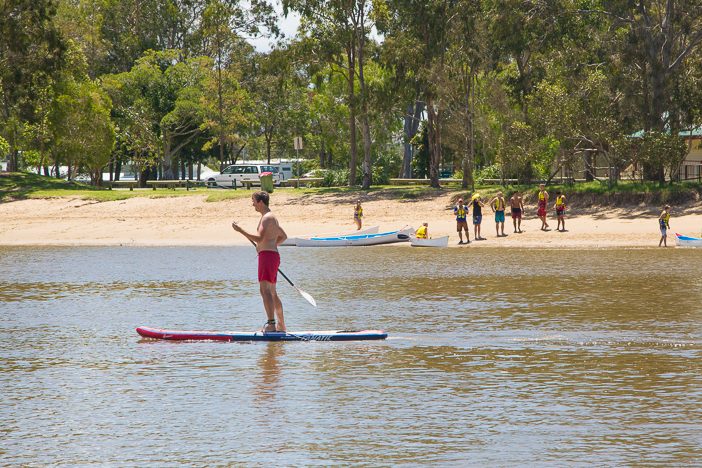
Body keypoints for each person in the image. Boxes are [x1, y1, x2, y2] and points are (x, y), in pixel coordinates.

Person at [232, 191, 288, 332]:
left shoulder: (266, 218)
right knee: (272, 292)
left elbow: (259, 238)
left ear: (260, 202)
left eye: (253, 201)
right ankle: (281, 326)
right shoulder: (271, 217)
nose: (252, 204)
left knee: (265, 291)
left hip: (268, 257)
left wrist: (240, 230)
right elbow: (283, 236)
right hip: (272, 256)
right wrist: (271, 245)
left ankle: (271, 325)